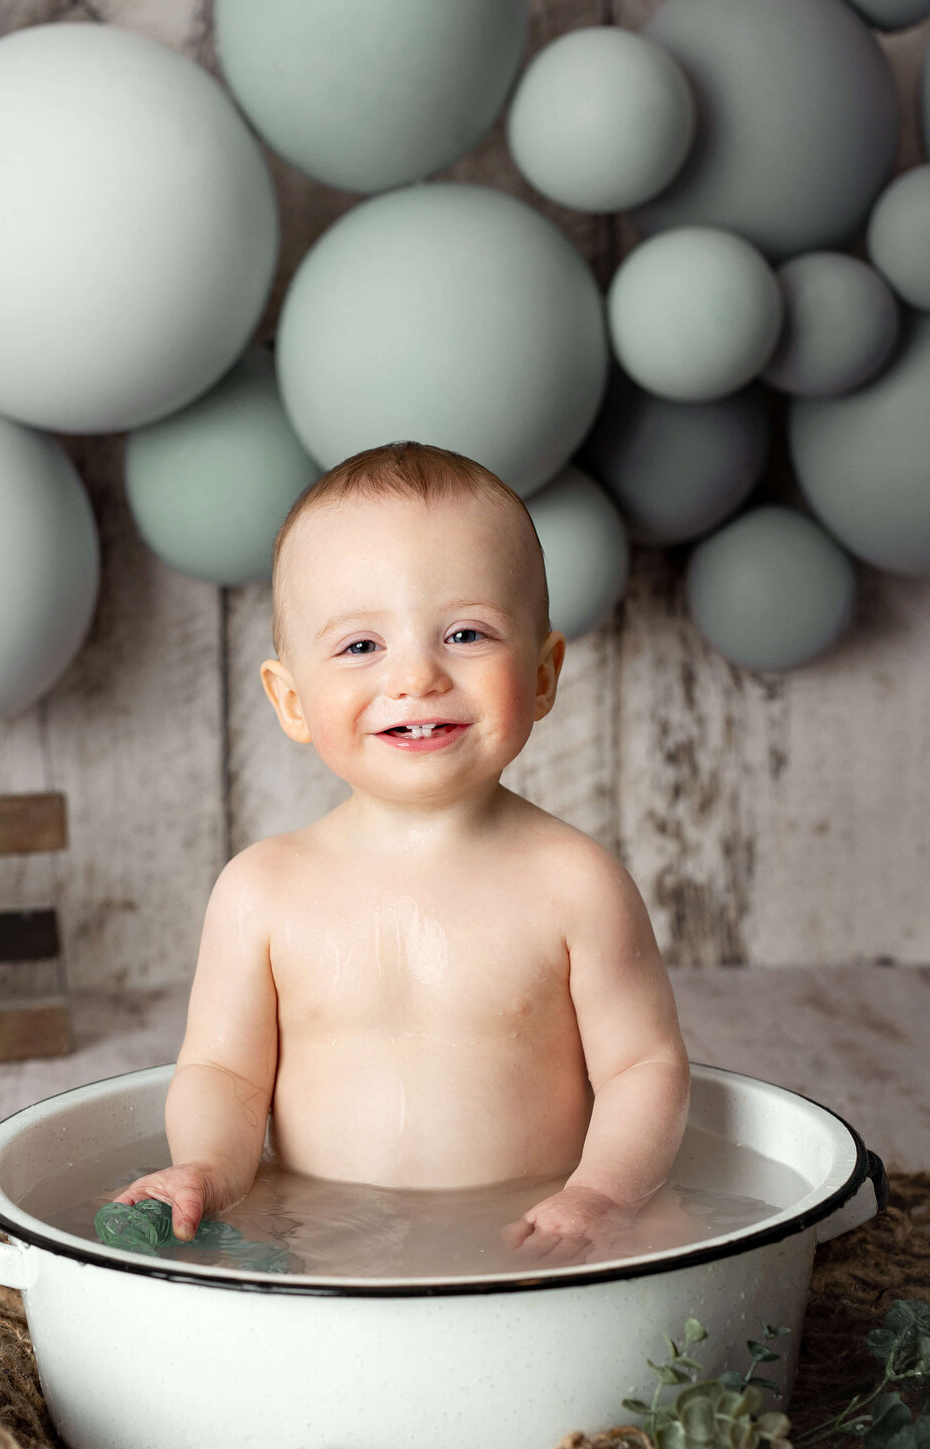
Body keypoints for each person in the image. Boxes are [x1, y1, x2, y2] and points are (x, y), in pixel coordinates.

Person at [117, 440, 690, 1264]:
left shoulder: (574, 885)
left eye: (465, 633)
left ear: (541, 675)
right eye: (360, 647)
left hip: (535, 1244)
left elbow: (643, 1068)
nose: (416, 677)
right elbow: (224, 1075)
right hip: (317, 1246)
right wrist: (204, 1167)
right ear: (291, 699)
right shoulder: (263, 893)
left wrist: (601, 1196)